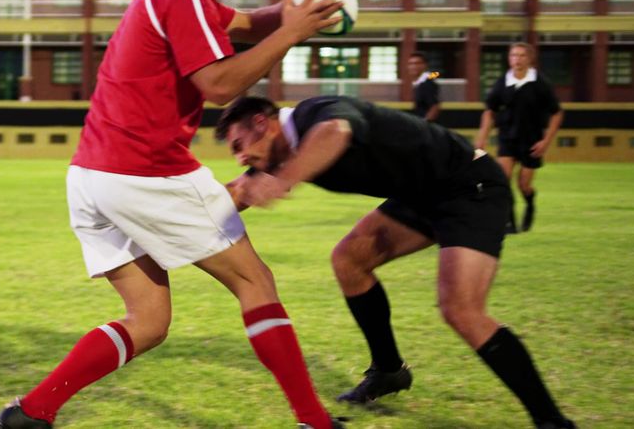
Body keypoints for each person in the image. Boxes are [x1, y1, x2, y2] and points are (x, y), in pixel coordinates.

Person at [0, 0, 347, 429]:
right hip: (146, 173)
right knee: (256, 281)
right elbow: (221, 86)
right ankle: (315, 422)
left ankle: (32, 412)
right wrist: (291, 33)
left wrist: (300, 11)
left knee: (150, 320)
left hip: (91, 179)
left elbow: (253, 24)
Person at [216, 95, 576, 429]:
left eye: (239, 146)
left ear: (262, 123)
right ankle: (389, 371)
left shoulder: (317, 114)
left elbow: (337, 132)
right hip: (420, 195)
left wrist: (282, 180)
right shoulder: (279, 154)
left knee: (462, 310)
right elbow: (237, 191)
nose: (240, 158)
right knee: (349, 260)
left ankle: (552, 421)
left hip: (468, 186)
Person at [475, 42, 562, 233]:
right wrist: (481, 138)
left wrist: (546, 142)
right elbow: (490, 111)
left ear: (530, 59)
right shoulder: (502, 83)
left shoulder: (540, 83)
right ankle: (509, 223)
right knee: (502, 182)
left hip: (532, 142)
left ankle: (530, 203)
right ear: (509, 59)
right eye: (514, 55)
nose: (517, 59)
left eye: (522, 55)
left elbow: (557, 113)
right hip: (507, 139)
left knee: (523, 185)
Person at [407, 51, 440, 121]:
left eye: (417, 63)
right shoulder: (419, 83)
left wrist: (424, 125)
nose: (413, 66)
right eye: (410, 64)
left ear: (424, 65)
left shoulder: (427, 83)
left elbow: (435, 106)